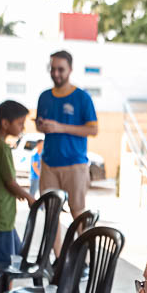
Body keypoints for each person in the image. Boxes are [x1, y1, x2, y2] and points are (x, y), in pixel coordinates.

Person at [36, 50, 98, 225]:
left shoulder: (82, 97)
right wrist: (42, 126)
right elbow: (40, 125)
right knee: (51, 214)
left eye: (60, 69)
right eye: (53, 69)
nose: (56, 73)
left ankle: (83, 252)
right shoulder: (44, 97)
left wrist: (60, 127)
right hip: (49, 163)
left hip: (74, 164)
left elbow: (93, 130)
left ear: (70, 69)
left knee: (77, 212)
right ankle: (56, 253)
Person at [0, 100, 35, 263]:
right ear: (5, 123)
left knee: (15, 257)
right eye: (20, 123)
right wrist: (29, 197)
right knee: (3, 266)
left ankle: (2, 288)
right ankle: (1, 289)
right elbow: (10, 182)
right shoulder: (2, 148)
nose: (22, 128)